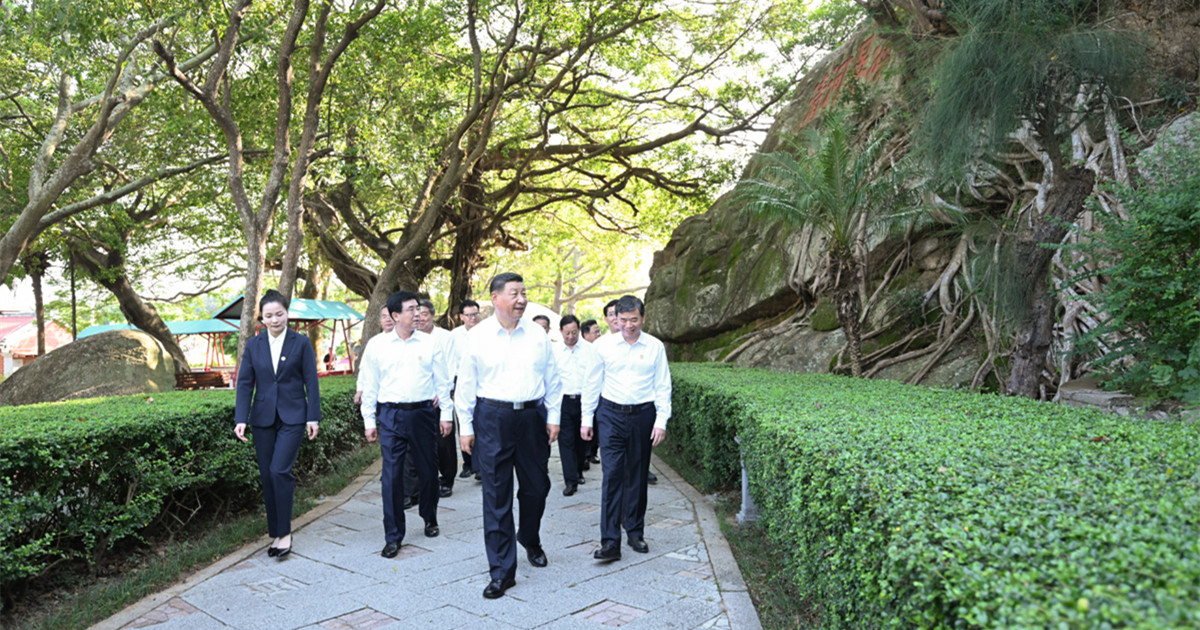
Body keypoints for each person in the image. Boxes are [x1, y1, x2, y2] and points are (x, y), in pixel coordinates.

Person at [456, 272, 561, 599]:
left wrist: (553, 416)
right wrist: (465, 426)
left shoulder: (537, 334)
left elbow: (553, 378)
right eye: (514, 293)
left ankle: (528, 536)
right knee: (496, 495)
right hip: (492, 418)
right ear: (495, 298)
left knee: (537, 487)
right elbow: (466, 383)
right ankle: (502, 571)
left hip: (531, 418)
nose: (521, 299)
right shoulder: (478, 336)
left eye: (524, 293)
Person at [358, 291, 453, 558]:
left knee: (427, 469)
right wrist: (369, 420)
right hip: (390, 415)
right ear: (395, 315)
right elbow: (370, 385)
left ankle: (429, 516)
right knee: (391, 475)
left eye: (418, 309)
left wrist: (446, 413)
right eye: (410, 309)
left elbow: (442, 381)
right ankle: (393, 535)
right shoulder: (377, 345)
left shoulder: (429, 343)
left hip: (423, 413)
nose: (417, 314)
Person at [234, 289, 321, 560]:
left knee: (279, 471)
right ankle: (276, 533)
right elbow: (245, 383)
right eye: (269, 316)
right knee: (267, 475)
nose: (274, 320)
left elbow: (311, 381)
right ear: (261, 318)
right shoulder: (254, 345)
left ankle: (284, 533)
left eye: (279, 314)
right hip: (262, 418)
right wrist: (241, 418)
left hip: (293, 417)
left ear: (287, 314)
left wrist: (313, 416)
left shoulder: (301, 342)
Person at [583, 295, 671, 562]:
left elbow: (662, 385)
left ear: (642, 318)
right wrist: (586, 419)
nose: (629, 325)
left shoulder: (655, 346)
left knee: (637, 474)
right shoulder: (603, 346)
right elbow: (592, 382)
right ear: (615, 319)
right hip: (610, 415)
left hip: (643, 415)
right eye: (623, 320)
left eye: (634, 319)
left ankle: (634, 531)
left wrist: (661, 421)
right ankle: (610, 541)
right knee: (612, 476)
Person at [415, 298, 457, 498]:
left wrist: (442, 393)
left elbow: (451, 367)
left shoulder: (445, 337)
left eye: (425, 314)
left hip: (441, 397)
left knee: (444, 442)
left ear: (432, 315)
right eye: (417, 314)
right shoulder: (411, 337)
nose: (421, 318)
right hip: (419, 398)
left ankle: (447, 479)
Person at [556, 314, 598, 496]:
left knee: (582, 441)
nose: (570, 336)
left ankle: (579, 470)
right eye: (567, 333)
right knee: (566, 441)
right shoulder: (555, 351)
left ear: (579, 330)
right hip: (563, 401)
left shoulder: (590, 350)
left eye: (574, 332)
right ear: (561, 331)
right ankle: (570, 481)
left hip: (584, 400)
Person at [450, 299, 482, 480]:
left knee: (480, 422)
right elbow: (450, 362)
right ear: (461, 317)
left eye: (475, 314)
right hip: (459, 380)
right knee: (464, 421)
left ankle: (481, 466)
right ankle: (468, 463)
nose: (473, 318)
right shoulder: (454, 336)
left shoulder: (486, 333)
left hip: (481, 382)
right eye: (469, 315)